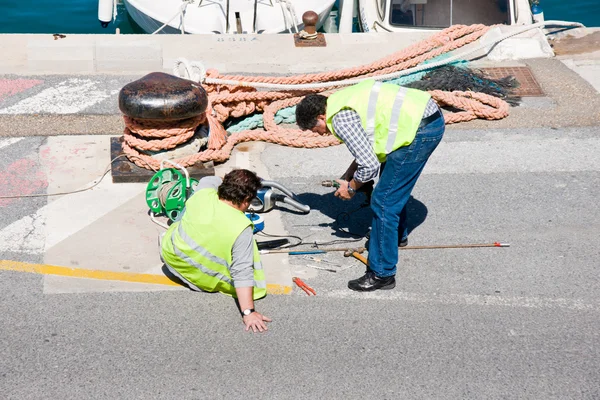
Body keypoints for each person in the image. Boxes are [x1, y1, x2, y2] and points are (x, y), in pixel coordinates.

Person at [295, 79, 445, 292]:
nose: (317, 133)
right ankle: (395, 238)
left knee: (383, 202)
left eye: (314, 128)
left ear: (321, 117)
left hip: (419, 131)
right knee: (391, 189)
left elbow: (369, 165)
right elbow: (369, 147)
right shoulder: (339, 101)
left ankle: (382, 274)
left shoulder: (340, 120)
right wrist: (348, 176)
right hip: (423, 118)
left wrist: (352, 188)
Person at [160, 169, 272, 333]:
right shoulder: (241, 227)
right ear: (246, 199)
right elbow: (242, 270)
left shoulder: (204, 193)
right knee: (240, 247)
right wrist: (248, 312)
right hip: (197, 278)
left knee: (190, 205)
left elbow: (209, 178)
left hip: (170, 256)